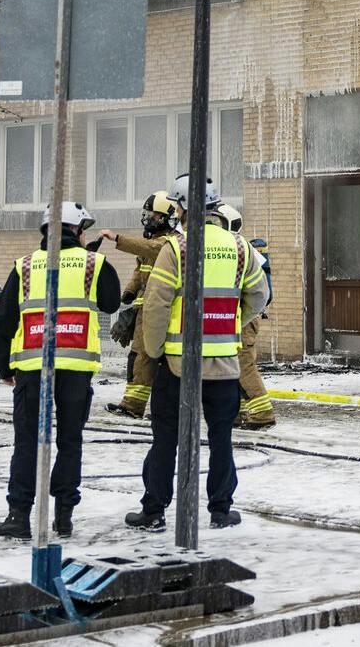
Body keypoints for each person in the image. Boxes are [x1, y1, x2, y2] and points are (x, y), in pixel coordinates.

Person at [125, 177, 267, 532]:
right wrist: (231, 324)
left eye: (176, 206)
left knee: (165, 440)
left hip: (176, 365)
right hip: (224, 365)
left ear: (184, 208)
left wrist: (155, 351)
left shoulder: (177, 249)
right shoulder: (240, 247)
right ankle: (220, 510)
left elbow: (157, 305)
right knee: (221, 440)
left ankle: (154, 509)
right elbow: (259, 297)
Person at [0, 202, 122, 539]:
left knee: (27, 443)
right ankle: (63, 516)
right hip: (76, 370)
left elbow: (2, 322)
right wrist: (91, 263)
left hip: (32, 370)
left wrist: (5, 366)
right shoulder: (94, 263)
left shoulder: (26, 266)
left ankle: (18, 517)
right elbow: (111, 302)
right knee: (70, 441)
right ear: (76, 231)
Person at [101, 191, 181, 420]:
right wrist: (129, 291)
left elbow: (148, 250)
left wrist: (117, 239)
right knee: (138, 357)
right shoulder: (152, 242)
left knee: (149, 358)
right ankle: (132, 405)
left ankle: (141, 406)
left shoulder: (170, 243)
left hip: (162, 311)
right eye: (147, 215)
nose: (148, 219)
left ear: (167, 218)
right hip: (144, 309)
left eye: (154, 216)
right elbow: (140, 268)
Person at [210, 202, 276, 431]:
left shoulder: (242, 251)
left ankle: (262, 413)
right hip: (236, 317)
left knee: (244, 364)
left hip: (244, 319)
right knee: (232, 365)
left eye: (217, 222)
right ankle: (236, 413)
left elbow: (258, 293)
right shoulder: (238, 249)